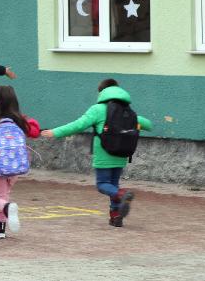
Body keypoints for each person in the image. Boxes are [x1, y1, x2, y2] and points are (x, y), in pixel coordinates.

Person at [41, 79, 152, 228]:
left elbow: (77, 125)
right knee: (113, 184)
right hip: (122, 154)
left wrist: (55, 132)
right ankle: (116, 216)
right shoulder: (128, 110)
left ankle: (122, 194)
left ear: (101, 93)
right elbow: (148, 125)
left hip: (104, 154)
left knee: (103, 185)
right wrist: (133, 123)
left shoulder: (97, 109)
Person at [0, 86, 40, 239]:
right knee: (5, 194)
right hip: (16, 164)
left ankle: (7, 209)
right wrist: (24, 118)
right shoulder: (19, 120)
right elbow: (35, 131)